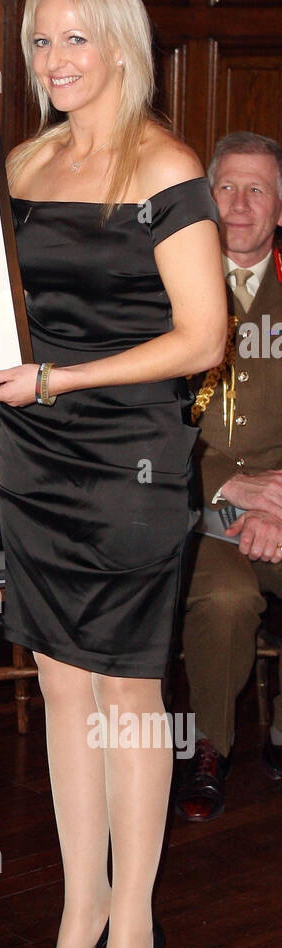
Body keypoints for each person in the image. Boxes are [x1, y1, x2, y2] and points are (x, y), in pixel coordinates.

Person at [0, 0, 227, 948]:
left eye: (75, 40)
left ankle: (134, 930)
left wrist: (61, 380)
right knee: (62, 694)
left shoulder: (165, 167)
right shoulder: (23, 160)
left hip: (128, 457)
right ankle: (78, 917)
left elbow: (203, 338)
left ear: (119, 46)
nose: (54, 61)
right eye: (39, 43)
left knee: (125, 699)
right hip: (31, 454)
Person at [175, 132, 282, 822]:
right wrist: (226, 487)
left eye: (258, 190)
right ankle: (209, 745)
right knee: (225, 601)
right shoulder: (166, 288)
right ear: (207, 199)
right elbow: (143, 421)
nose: (239, 205)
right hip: (196, 508)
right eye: (226, 188)